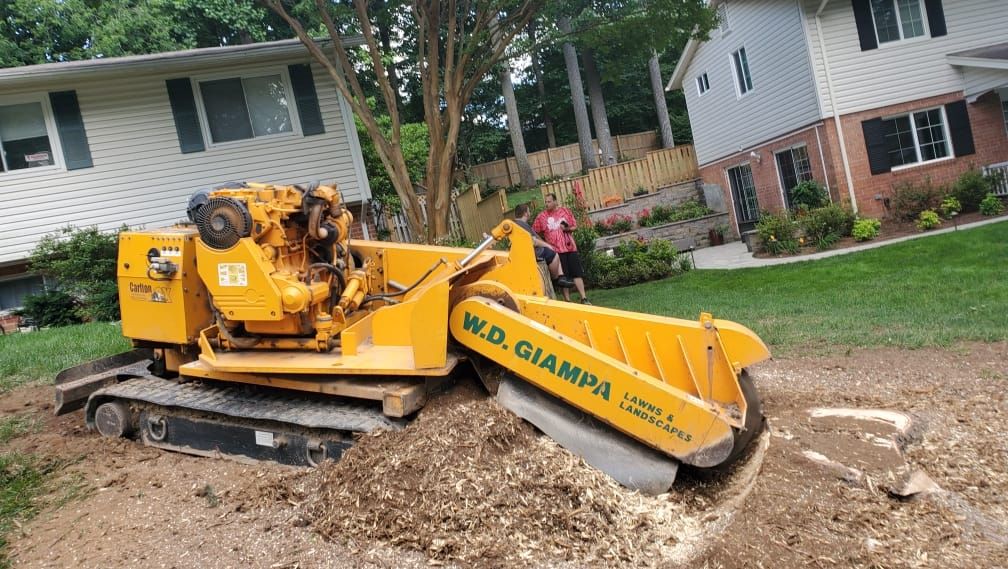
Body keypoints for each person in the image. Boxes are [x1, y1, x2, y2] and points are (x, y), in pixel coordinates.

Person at [532, 193, 590, 304]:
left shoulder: (565, 211)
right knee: (563, 277)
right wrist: (543, 243)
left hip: (570, 247)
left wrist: (567, 229)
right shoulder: (541, 217)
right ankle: (567, 301)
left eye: (549, 201)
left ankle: (584, 298)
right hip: (556, 251)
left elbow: (574, 226)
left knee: (577, 273)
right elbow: (534, 232)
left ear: (555, 202)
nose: (547, 204)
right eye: (546, 202)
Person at [513, 203, 574, 290]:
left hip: (527, 252)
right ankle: (556, 280)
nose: (530, 213)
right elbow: (533, 241)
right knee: (553, 254)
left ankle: (561, 277)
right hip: (532, 252)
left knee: (553, 252)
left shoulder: (516, 224)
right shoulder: (521, 225)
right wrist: (547, 245)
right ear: (525, 213)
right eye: (529, 211)